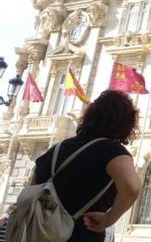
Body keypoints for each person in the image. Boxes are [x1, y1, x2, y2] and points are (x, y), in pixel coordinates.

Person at [32, 90, 141, 242]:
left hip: (37, 234)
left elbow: (33, 186)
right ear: (126, 123)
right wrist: (109, 219)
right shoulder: (112, 152)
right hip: (81, 235)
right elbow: (132, 187)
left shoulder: (55, 149)